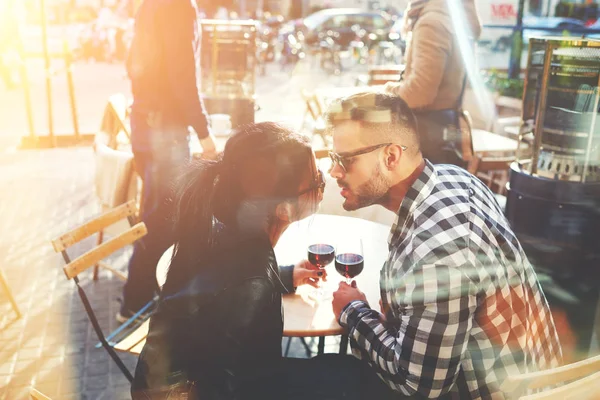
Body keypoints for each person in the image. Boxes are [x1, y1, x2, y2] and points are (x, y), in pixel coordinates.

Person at [327, 92, 563, 399]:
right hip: (531, 377)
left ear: (391, 157)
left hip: (498, 393)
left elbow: (419, 384)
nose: (334, 172)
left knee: (327, 377)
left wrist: (353, 310)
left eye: (344, 160)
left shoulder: (439, 255)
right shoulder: (455, 178)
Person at [131, 122, 391, 399]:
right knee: (358, 378)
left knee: (344, 370)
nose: (325, 180)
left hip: (167, 382)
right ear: (284, 209)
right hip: (189, 392)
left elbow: (221, 287)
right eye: (316, 180)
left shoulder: (219, 230)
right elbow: (253, 387)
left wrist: (285, 275)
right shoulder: (254, 281)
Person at [119, 0, 218, 321]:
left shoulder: (150, 5)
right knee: (164, 218)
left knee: (157, 213)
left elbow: (134, 63)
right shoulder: (179, 7)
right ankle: (139, 302)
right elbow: (182, 74)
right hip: (166, 131)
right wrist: (204, 132)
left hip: (146, 124)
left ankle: (143, 297)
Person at [384, 0, 482, 165]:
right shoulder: (455, 18)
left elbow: (420, 92)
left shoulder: (433, 22)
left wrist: (388, 91)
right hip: (448, 124)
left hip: (425, 134)